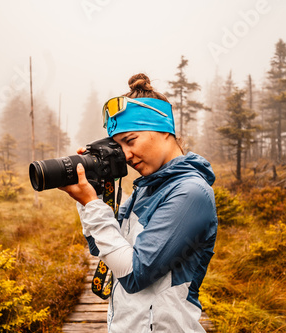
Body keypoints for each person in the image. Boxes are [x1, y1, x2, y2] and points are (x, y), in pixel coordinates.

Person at [60, 73, 218, 333]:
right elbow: (102, 249)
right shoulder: (143, 191)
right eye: (119, 146)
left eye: (131, 140)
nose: (127, 155)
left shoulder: (190, 193)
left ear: (164, 130)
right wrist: (91, 195)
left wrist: (92, 205)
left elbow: (134, 275)